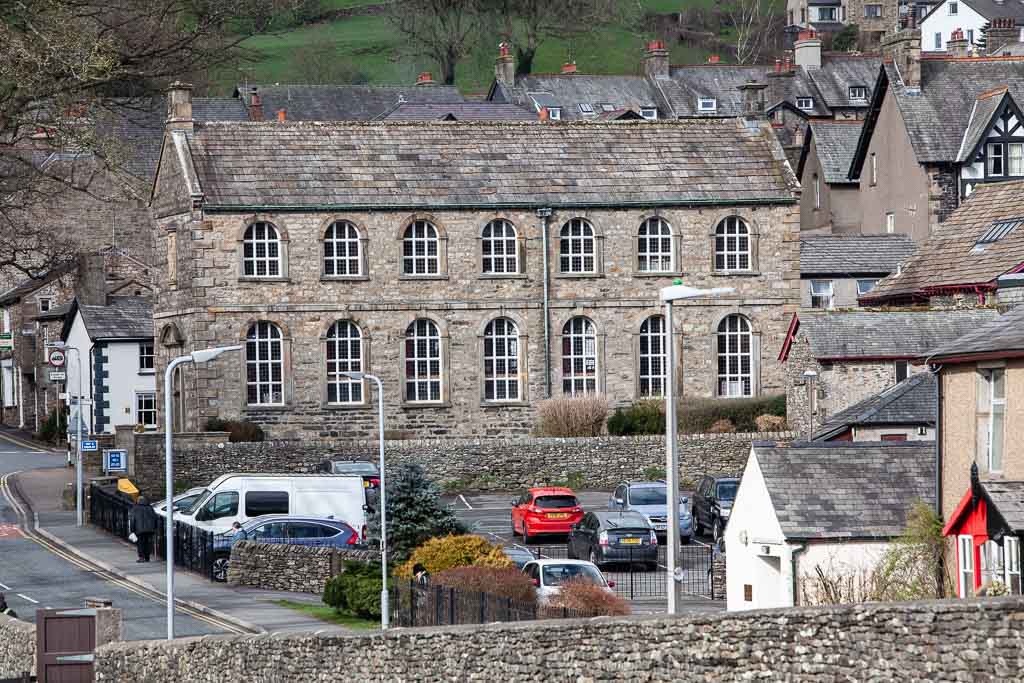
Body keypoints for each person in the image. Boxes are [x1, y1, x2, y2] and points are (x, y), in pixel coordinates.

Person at [129, 495, 159, 563]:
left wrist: (132, 530)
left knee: (140, 543)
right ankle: (147, 557)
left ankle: (141, 557)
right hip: (150, 529)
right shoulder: (150, 508)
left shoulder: (135, 508)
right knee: (148, 543)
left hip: (139, 530)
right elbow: (155, 518)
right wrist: (155, 528)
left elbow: (132, 520)